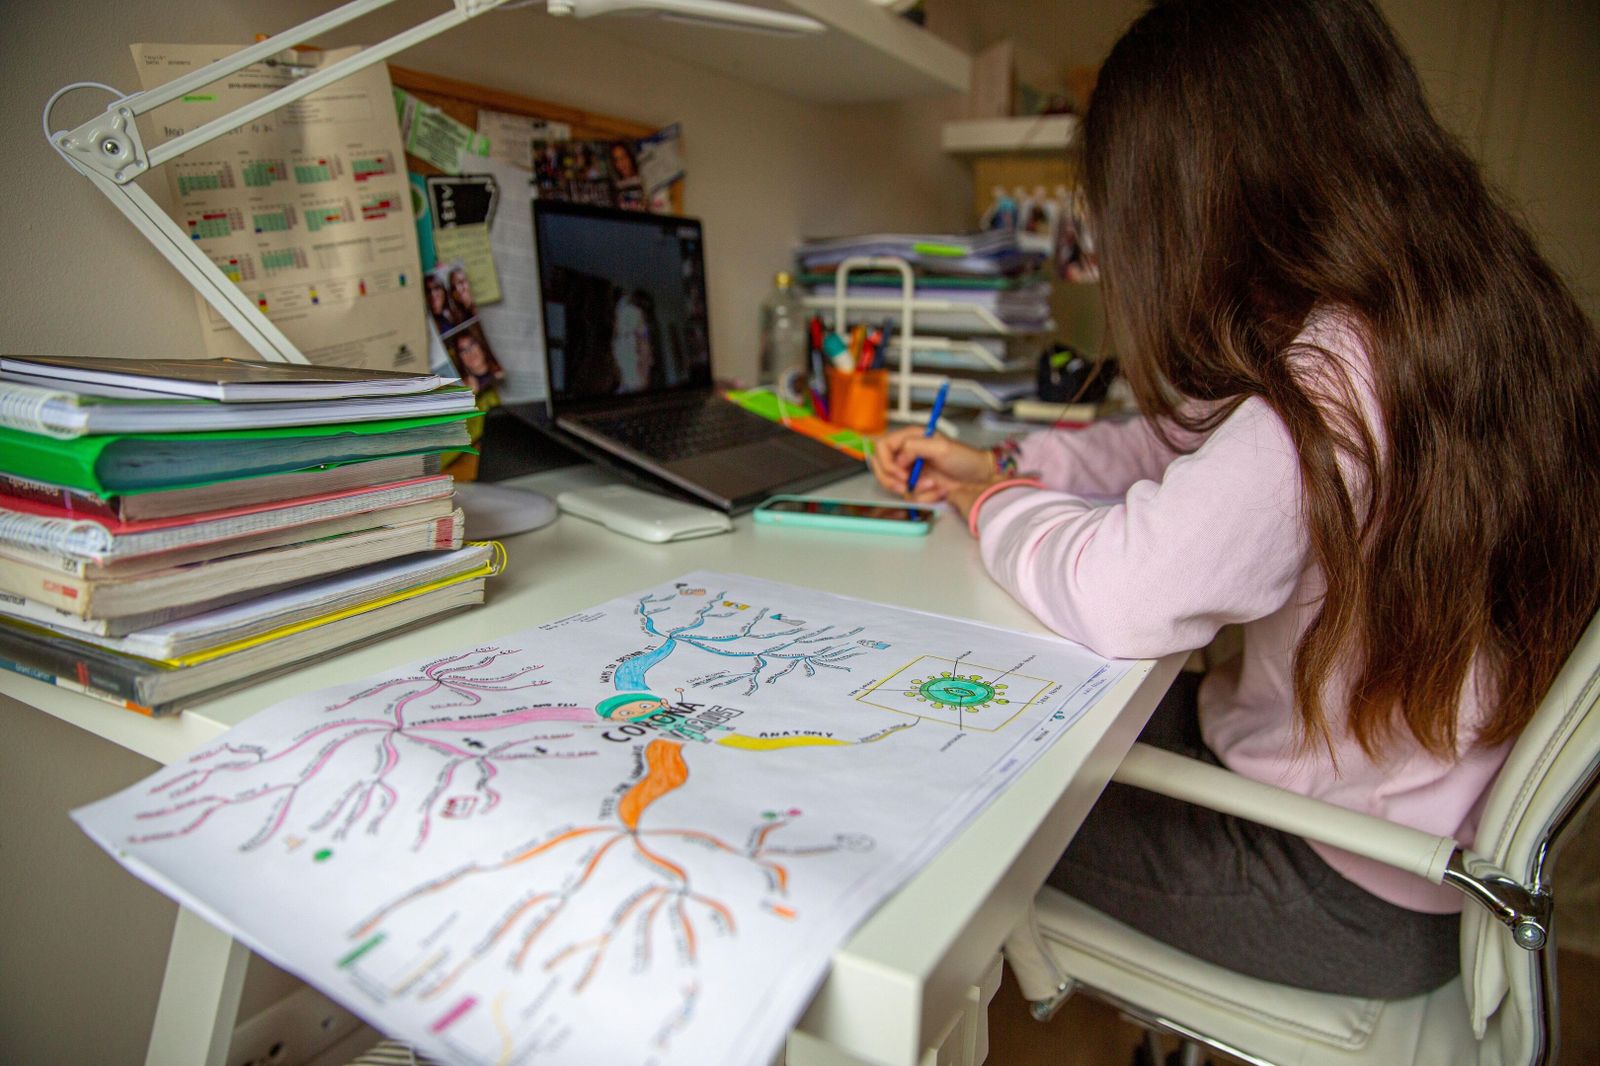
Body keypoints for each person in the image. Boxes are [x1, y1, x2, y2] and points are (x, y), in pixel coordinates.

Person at [871, 0, 1599, 999]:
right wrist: (1005, 456)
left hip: (1337, 884)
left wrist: (987, 499)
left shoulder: (1336, 377)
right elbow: (1178, 445)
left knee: (958, 784)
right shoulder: (1450, 314)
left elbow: (1122, 591)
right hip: (1398, 835)